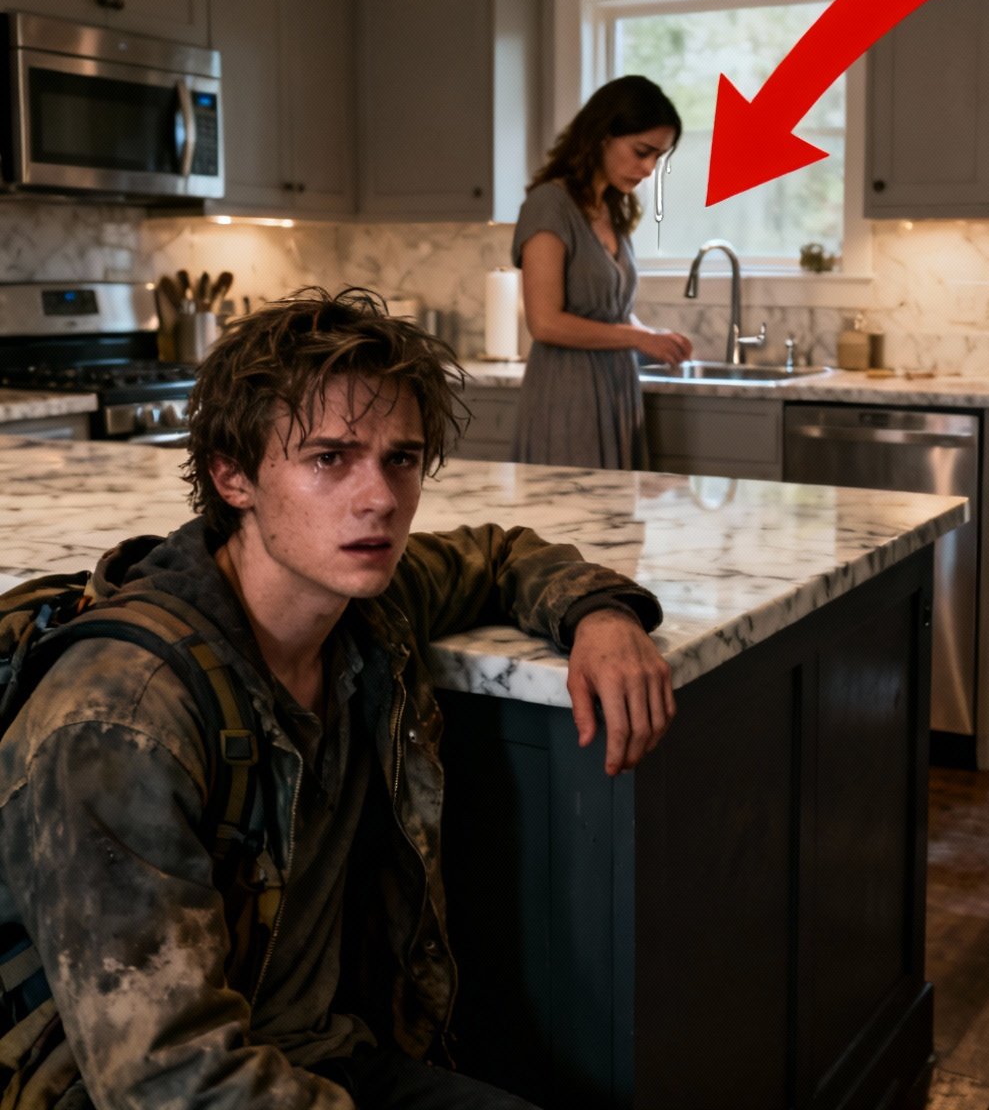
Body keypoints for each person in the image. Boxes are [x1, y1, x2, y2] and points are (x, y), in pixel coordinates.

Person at [0, 288, 675, 1109]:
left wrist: (600, 615)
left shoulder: (363, 604)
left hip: (325, 1055)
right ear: (232, 475)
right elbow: (169, 1083)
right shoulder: (119, 719)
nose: (380, 498)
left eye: (402, 458)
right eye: (329, 459)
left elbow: (499, 555)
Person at [512, 75, 693, 468]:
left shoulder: (612, 210)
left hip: (617, 393)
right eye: (641, 152)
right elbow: (545, 322)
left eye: (657, 157)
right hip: (567, 397)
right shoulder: (549, 206)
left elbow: (610, 311)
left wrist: (655, 337)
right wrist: (638, 337)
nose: (648, 168)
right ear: (602, 136)